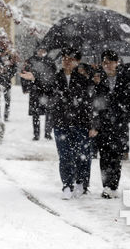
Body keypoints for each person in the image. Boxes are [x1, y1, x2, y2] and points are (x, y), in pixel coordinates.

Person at [49, 47, 95, 199]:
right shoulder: (55, 78)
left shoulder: (84, 80)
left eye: (70, 59)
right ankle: (67, 185)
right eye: (64, 59)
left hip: (80, 123)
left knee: (81, 155)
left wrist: (92, 124)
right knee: (64, 155)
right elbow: (45, 91)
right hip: (61, 123)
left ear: (77, 62)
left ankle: (81, 183)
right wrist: (34, 78)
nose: (66, 62)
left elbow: (90, 104)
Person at [92, 49, 130, 199]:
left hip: (119, 123)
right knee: (104, 156)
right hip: (103, 124)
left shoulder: (125, 78)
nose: (107, 65)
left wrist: (122, 107)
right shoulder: (98, 78)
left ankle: (114, 185)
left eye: (110, 62)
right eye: (104, 62)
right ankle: (106, 187)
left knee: (116, 157)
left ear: (117, 63)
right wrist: (96, 84)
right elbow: (93, 100)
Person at [20, 47, 56, 141]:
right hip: (35, 90)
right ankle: (36, 134)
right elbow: (24, 74)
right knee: (36, 113)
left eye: (44, 50)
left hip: (48, 90)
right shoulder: (30, 61)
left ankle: (47, 133)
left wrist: (52, 86)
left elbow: (54, 75)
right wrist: (25, 87)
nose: (41, 52)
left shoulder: (50, 61)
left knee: (49, 113)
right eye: (40, 50)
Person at [0, 48, 18, 121]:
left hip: (7, 82)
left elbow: (15, 69)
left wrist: (9, 75)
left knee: (7, 100)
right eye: (0, 52)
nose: (2, 54)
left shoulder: (9, 58)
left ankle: (6, 115)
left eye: (3, 52)